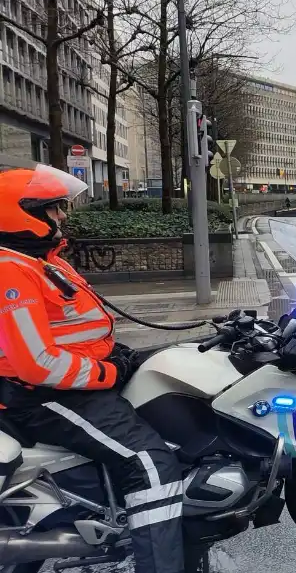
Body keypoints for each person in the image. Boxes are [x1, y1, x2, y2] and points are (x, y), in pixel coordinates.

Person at [0, 164, 184, 573]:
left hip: (70, 386)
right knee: (151, 465)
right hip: (44, 395)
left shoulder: (41, 260)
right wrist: (110, 373)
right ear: (22, 212)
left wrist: (122, 355)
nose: (63, 215)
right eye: (53, 209)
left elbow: (75, 330)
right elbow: (38, 364)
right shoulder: (10, 270)